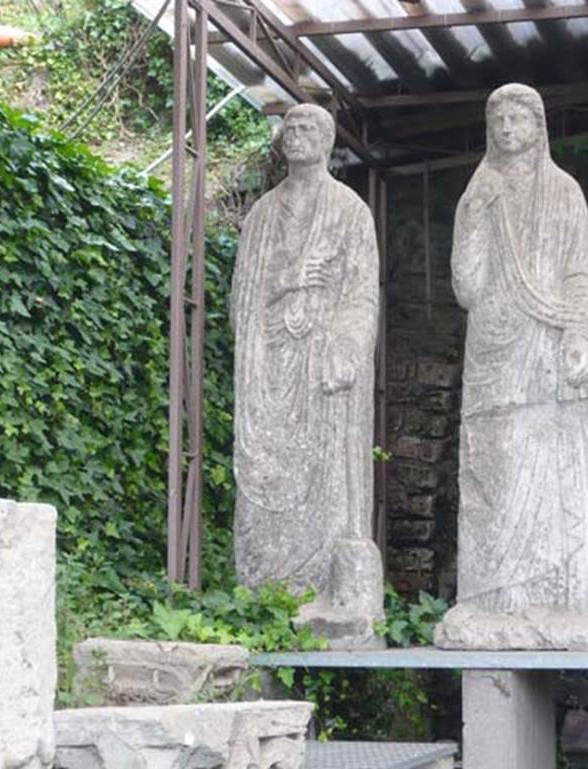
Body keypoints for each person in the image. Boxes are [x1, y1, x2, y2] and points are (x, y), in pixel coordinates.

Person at [434, 83, 588, 650]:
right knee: (496, 466)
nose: (508, 127)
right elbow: (465, 286)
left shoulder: (566, 193)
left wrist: (581, 332)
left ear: (538, 127)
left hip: (549, 341)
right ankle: (493, 598)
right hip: (494, 345)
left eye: (518, 117)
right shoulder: (477, 193)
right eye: (499, 119)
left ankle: (557, 598)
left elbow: (578, 275)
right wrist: (474, 216)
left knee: (551, 467)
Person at [230, 104, 383, 648]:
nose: (296, 136)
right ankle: (266, 591)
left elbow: (362, 289)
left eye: (308, 129)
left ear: (327, 140)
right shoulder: (262, 215)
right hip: (270, 359)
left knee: (324, 470)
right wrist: (289, 278)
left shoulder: (349, 210)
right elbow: (243, 292)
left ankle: (325, 587)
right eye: (289, 128)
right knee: (269, 464)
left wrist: (346, 347)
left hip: (322, 362)